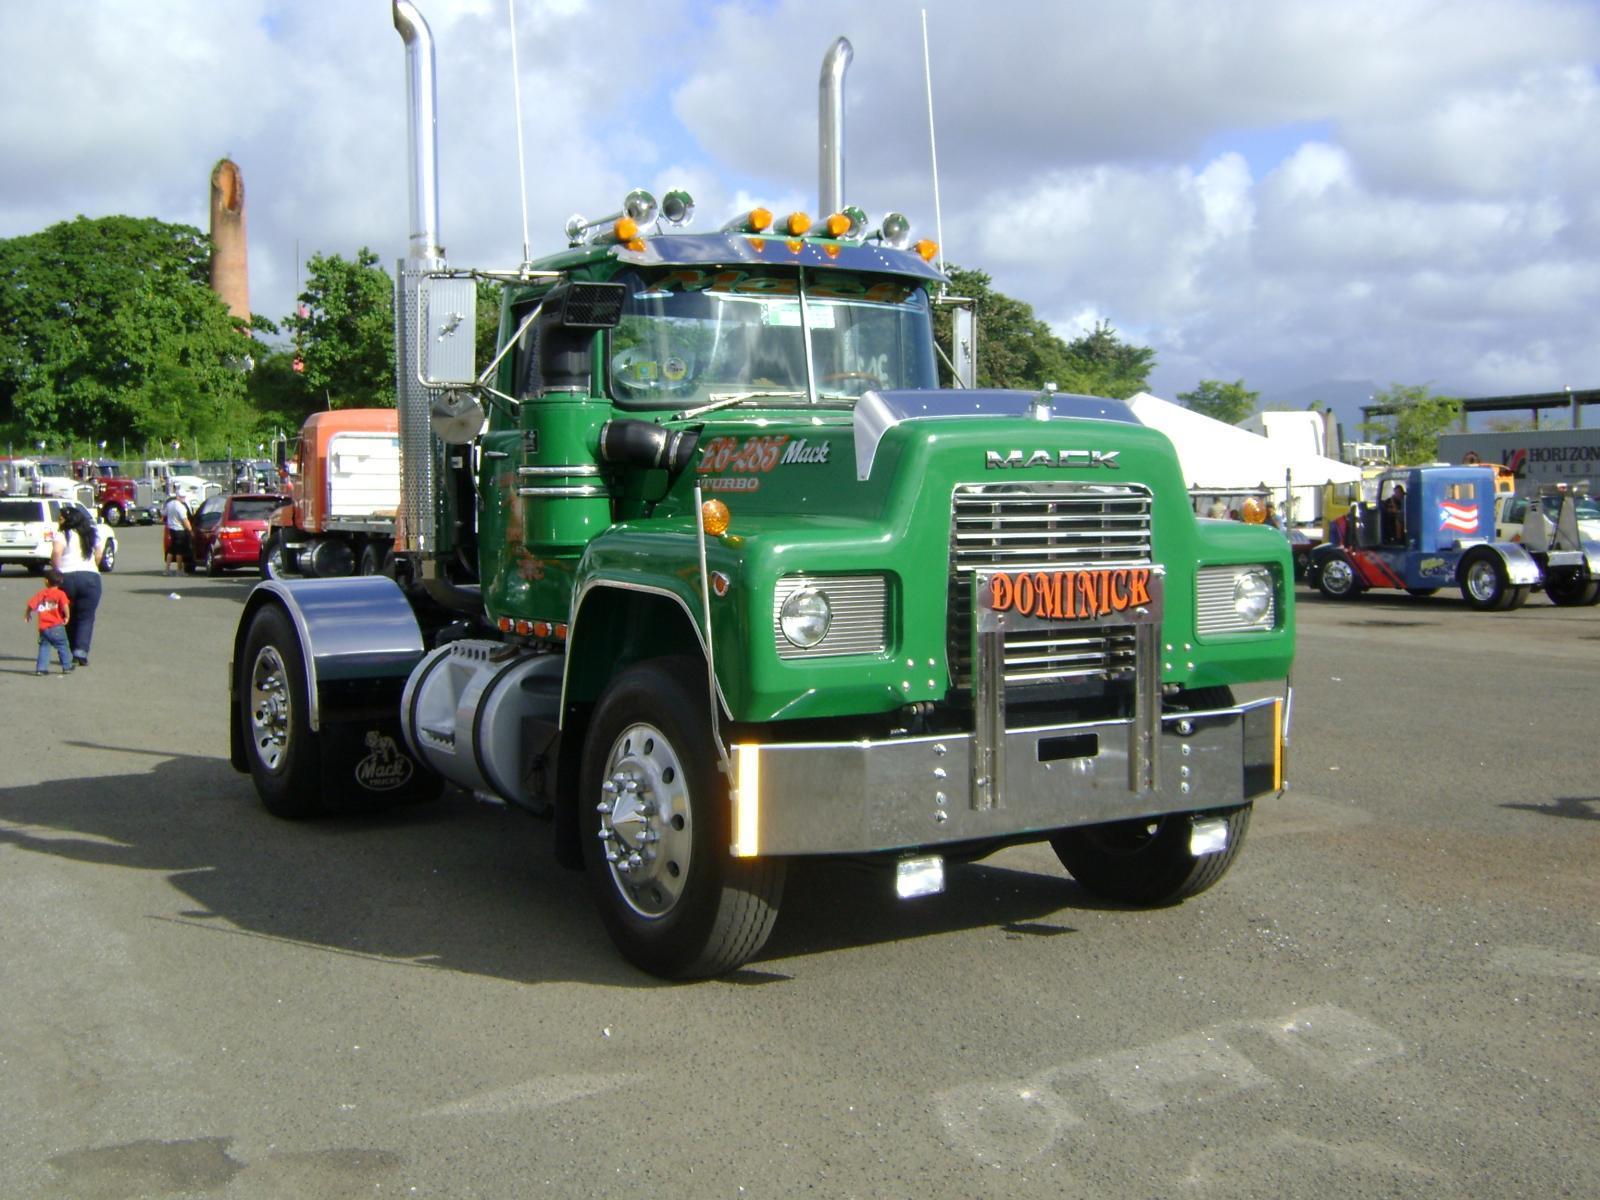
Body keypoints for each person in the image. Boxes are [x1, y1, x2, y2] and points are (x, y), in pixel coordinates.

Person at [53, 504, 105, 668]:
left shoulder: (63, 534)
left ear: (68, 519)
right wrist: (94, 566)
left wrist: (56, 570)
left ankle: (69, 651)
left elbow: (56, 553)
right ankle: (80, 652)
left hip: (66, 577)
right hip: (90, 577)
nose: (58, 520)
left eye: (60, 518)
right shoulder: (90, 533)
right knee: (86, 616)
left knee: (67, 614)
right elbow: (99, 553)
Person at [25, 566, 73, 676]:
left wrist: (27, 614)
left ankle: (41, 668)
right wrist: (67, 615)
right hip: (57, 626)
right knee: (62, 645)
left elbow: (31, 604)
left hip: (44, 627)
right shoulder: (61, 594)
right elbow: (65, 606)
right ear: (60, 581)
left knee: (44, 647)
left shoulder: (41, 594)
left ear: (46, 581)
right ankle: (67, 666)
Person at [163, 491, 194, 575]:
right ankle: (179, 570)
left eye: (184, 497)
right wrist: (190, 530)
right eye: (181, 497)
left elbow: (164, 514)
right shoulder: (181, 507)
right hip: (180, 530)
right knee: (179, 551)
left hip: (171, 529)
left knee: (171, 549)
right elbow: (185, 520)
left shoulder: (170, 504)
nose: (183, 498)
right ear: (177, 496)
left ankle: (167, 569)